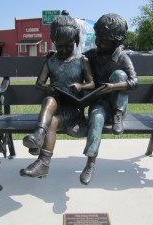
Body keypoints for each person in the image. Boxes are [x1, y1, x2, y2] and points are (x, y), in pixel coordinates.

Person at [20, 12, 95, 178]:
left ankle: (43, 159)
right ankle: (39, 140)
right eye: (59, 46)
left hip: (73, 110)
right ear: (54, 43)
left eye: (68, 46)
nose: (64, 50)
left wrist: (81, 85)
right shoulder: (51, 61)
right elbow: (39, 83)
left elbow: (92, 84)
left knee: (52, 120)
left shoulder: (82, 60)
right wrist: (48, 88)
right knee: (49, 100)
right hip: (54, 105)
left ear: (75, 41)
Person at [79, 13, 138, 185]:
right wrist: (56, 54)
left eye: (103, 41)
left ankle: (118, 115)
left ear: (115, 43)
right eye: (98, 38)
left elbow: (134, 81)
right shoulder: (91, 55)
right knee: (96, 117)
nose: (98, 43)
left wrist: (113, 87)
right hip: (100, 104)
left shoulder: (122, 57)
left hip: (116, 106)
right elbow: (74, 60)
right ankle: (90, 163)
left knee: (120, 74)